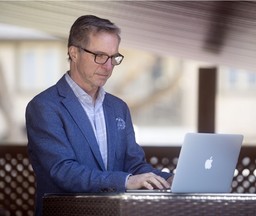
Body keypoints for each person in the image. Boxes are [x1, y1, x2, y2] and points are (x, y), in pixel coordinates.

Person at [25, 15, 174, 216]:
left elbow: (134, 164)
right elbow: (63, 171)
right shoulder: (44, 107)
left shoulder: (118, 107)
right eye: (100, 55)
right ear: (74, 52)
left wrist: (168, 179)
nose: (108, 66)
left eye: (113, 58)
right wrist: (125, 181)